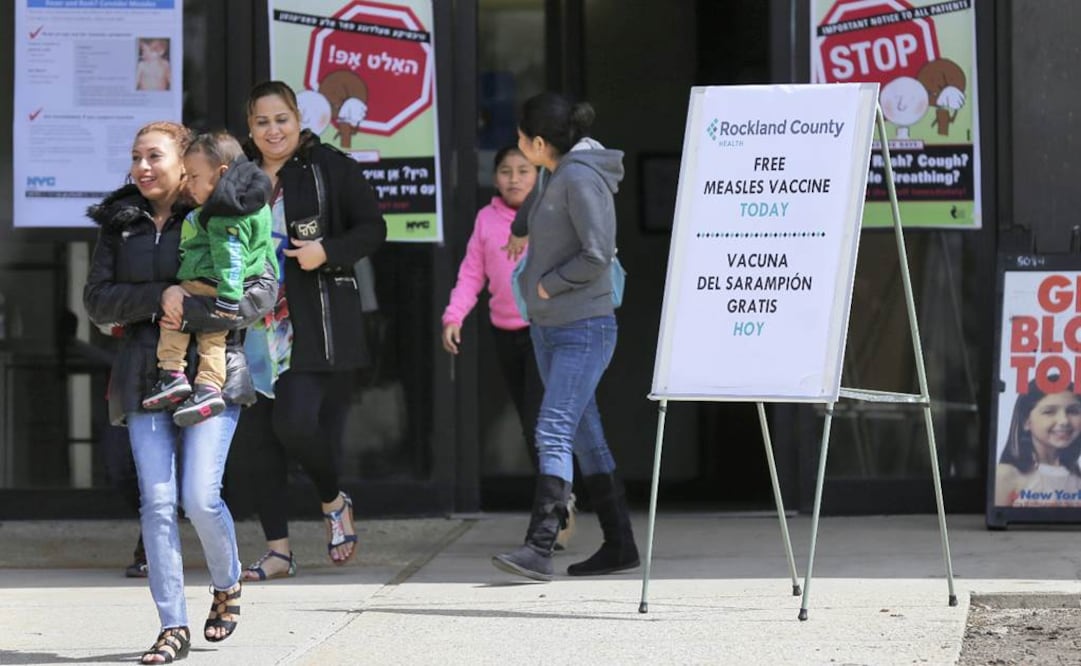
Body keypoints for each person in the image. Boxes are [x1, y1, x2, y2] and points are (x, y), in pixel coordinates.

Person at [84, 120, 275, 663]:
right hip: (145, 374)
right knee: (158, 502)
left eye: (155, 157)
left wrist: (192, 309)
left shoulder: (220, 207)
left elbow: (262, 291)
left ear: (184, 161)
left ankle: (227, 582)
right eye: (135, 157)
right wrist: (160, 295)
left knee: (199, 497)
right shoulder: (120, 223)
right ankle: (172, 626)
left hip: (214, 372)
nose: (142, 167)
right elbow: (97, 301)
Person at [235, 80, 387, 582]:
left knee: (295, 424)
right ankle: (278, 551)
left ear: (299, 119)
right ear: (250, 127)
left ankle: (332, 499)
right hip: (249, 325)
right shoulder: (239, 175)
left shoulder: (329, 167)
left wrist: (327, 252)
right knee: (260, 441)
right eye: (262, 122)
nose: (273, 130)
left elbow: (373, 229)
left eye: (281, 119)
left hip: (309, 321)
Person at [491, 92, 638, 581]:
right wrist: (520, 227)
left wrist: (547, 284)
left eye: (520, 137)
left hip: (583, 327)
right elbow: (530, 213)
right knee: (584, 434)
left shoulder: (579, 178)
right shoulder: (555, 173)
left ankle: (539, 546)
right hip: (550, 327)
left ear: (538, 143)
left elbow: (598, 252)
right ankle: (620, 544)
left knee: (552, 429)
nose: (516, 143)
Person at [141, 131, 277, 427]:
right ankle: (209, 387)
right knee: (213, 338)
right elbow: (265, 249)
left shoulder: (224, 214)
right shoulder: (257, 204)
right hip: (235, 284)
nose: (188, 184)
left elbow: (231, 256)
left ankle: (171, 372)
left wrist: (228, 297)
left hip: (211, 281)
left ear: (222, 173)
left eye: (194, 177)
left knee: (174, 317)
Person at [995, 378, 1081, 507]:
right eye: (1049, 412)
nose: (1064, 421)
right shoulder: (1005, 475)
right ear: (1026, 421)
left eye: (1073, 411)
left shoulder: (1077, 477)